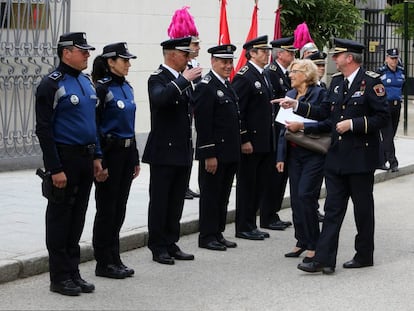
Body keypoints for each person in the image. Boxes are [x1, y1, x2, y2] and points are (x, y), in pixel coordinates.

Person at [277, 38, 388, 274]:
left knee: (362, 209)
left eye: (337, 56)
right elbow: (323, 113)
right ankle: (324, 259)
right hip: (336, 157)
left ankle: (364, 254)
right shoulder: (337, 83)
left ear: (349, 58)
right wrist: (296, 105)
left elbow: (383, 118)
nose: (334, 60)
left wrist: (353, 124)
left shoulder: (371, 82)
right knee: (332, 210)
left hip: (360, 158)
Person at [35, 32, 100, 296]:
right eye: (82, 50)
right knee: (61, 218)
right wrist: (55, 168)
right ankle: (59, 277)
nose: (87, 55)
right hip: (65, 158)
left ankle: (73, 271)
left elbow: (91, 123)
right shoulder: (51, 84)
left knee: (78, 217)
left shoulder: (86, 82)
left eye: (87, 51)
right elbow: (44, 129)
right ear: (66, 52)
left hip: (85, 157)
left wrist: (97, 156)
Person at [142, 36, 202, 265]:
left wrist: (188, 81)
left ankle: (171, 241)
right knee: (160, 201)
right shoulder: (158, 78)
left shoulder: (182, 80)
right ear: (172, 54)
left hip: (182, 150)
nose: (189, 58)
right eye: (185, 54)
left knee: (176, 200)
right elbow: (160, 99)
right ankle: (158, 246)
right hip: (163, 151)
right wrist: (183, 81)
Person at [91, 42, 140, 279]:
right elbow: (95, 127)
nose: (129, 64)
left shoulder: (127, 88)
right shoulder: (102, 88)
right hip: (109, 153)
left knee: (119, 208)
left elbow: (130, 126)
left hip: (125, 154)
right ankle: (103, 261)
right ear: (111, 62)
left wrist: (135, 158)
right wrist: (99, 159)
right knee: (107, 209)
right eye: (125, 60)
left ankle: (115, 256)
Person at [275, 59, 328, 262]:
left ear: (306, 74)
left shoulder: (320, 93)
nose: (290, 75)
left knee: (307, 196)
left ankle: (314, 244)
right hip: (294, 153)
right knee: (297, 199)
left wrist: (304, 127)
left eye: (294, 71)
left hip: (313, 153)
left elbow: (327, 122)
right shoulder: (289, 94)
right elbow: (283, 129)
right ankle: (301, 240)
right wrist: (281, 156)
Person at [192, 44, 240, 251]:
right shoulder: (206, 86)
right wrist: (209, 154)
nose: (228, 66)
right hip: (215, 154)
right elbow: (203, 124)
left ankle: (218, 232)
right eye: (224, 62)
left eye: (230, 62)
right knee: (211, 195)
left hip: (229, 152)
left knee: (223, 195)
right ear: (213, 62)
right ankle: (207, 235)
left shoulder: (226, 85)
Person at [232, 35, 274, 240]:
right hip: (251, 142)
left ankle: (251, 223)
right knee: (247, 185)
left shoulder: (262, 74)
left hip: (263, 140)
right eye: (263, 51)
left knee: (259, 184)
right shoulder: (244, 76)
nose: (267, 54)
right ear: (252, 53)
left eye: (267, 51)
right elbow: (238, 111)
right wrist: (244, 138)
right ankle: (243, 225)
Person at [261, 36, 296, 231]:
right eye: (289, 52)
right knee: (274, 176)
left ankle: (273, 212)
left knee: (281, 176)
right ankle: (267, 215)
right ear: (280, 54)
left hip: (284, 130)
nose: (292, 55)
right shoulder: (272, 73)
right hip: (275, 130)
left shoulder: (285, 73)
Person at [167, 6, 201, 200]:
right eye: (194, 44)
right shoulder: (181, 67)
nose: (197, 48)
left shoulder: (195, 65)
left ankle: (186, 183)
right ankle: (184, 184)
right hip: (183, 108)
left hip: (192, 109)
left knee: (190, 146)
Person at [377, 48, 405, 172]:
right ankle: (393, 162)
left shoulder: (401, 72)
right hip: (385, 106)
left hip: (396, 105)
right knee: (387, 135)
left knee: (391, 135)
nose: (394, 61)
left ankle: (380, 160)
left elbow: (402, 87)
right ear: (386, 59)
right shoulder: (381, 73)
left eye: (395, 58)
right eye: (391, 58)